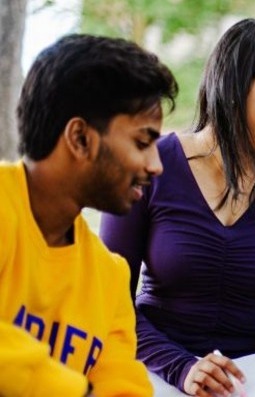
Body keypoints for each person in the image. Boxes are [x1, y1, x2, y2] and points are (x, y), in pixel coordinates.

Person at [99, 18, 255, 397]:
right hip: (158, 365)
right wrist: (183, 368)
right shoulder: (151, 165)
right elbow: (110, 298)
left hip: (254, 378)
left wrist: (254, 379)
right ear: (237, 84)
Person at [0, 34, 177, 396]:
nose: (156, 165)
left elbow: (123, 387)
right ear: (80, 138)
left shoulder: (109, 276)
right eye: (143, 143)